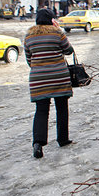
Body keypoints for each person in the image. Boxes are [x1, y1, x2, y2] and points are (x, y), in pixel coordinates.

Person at [24, 8, 75, 159]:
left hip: (38, 79)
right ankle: (63, 139)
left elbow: (29, 59)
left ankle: (38, 144)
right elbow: (69, 50)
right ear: (52, 20)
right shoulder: (57, 33)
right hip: (58, 76)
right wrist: (59, 30)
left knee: (41, 111)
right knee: (62, 108)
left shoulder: (29, 36)